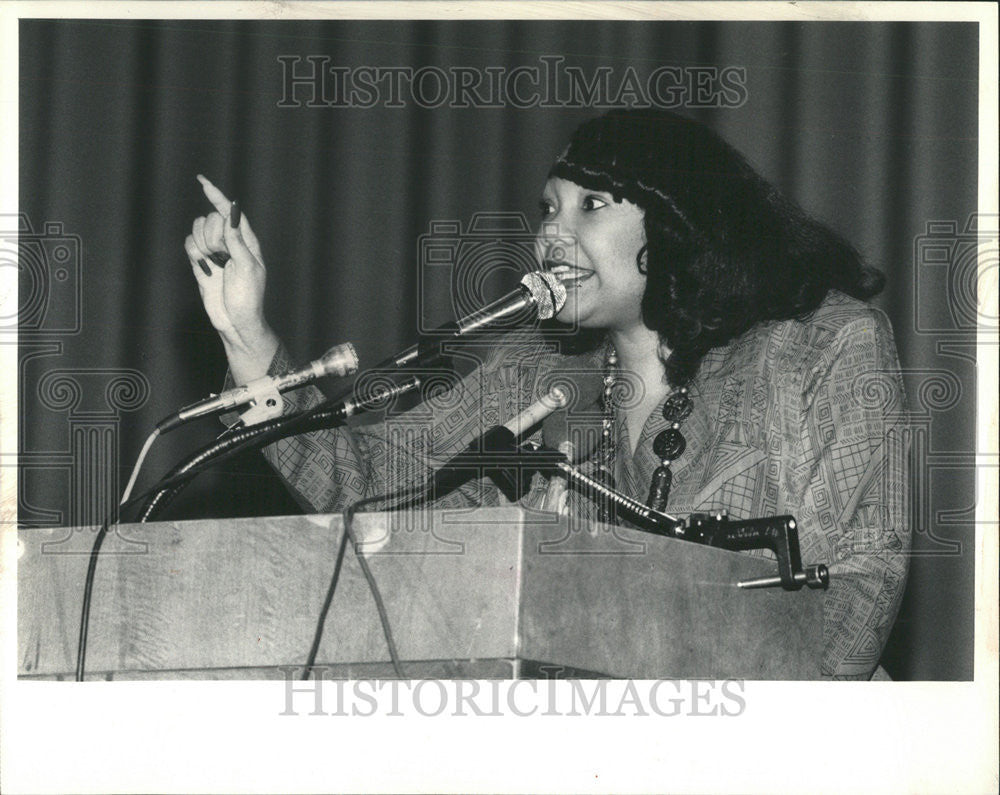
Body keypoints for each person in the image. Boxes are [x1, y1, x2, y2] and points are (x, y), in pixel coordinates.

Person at [185, 109, 910, 680]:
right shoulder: (533, 366)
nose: (550, 234)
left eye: (590, 205)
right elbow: (373, 487)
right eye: (548, 208)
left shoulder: (823, 343)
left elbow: (859, 589)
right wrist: (249, 338)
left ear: (680, 219)